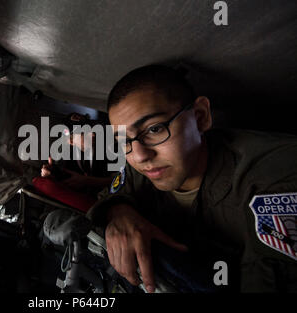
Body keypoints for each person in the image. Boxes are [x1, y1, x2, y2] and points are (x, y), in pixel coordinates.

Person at [86, 64, 297, 292]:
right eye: (123, 140)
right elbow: (113, 194)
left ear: (200, 117)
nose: (140, 156)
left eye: (154, 129)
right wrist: (120, 213)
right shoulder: (141, 169)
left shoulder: (275, 176)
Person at [33, 113, 116, 212]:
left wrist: (87, 180)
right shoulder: (66, 158)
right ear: (71, 141)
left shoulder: (110, 144)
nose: (93, 134)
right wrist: (50, 175)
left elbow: (122, 179)